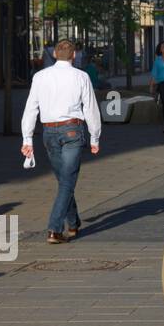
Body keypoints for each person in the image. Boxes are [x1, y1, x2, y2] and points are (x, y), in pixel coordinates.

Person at [20, 39, 102, 244]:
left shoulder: (39, 77)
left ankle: (73, 224)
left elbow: (31, 108)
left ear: (55, 54)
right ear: (74, 56)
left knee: (65, 180)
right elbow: (90, 108)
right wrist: (95, 136)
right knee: (67, 181)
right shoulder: (81, 76)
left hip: (48, 132)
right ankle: (54, 229)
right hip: (72, 130)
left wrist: (27, 138)